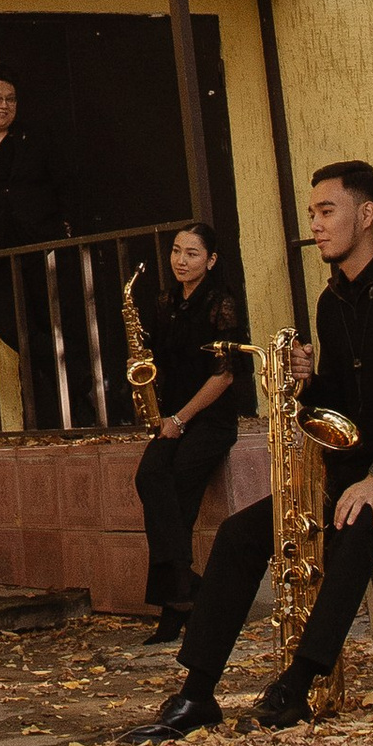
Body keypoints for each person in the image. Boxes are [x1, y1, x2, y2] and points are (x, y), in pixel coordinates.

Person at [131, 161, 373, 738]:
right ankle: (196, 693)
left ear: (367, 215)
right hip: (358, 462)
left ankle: (298, 683)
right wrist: (310, 383)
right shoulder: (331, 301)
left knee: (355, 526)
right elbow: (343, 403)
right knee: (239, 534)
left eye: (326, 211)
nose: (314, 224)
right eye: (312, 213)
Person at [0, 66, 94, 431]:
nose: (4, 106)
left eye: (10, 99)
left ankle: (68, 417)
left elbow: (67, 187)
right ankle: (71, 387)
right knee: (18, 333)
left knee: (60, 327)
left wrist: (67, 233)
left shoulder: (38, 138)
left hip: (46, 253)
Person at [131, 219, 246, 642]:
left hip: (211, 418)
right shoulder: (165, 302)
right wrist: (143, 372)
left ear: (211, 260)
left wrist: (180, 419)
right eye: (176, 251)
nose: (181, 260)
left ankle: (175, 608)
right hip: (171, 417)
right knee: (149, 475)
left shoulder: (222, 304)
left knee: (178, 484)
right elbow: (160, 361)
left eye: (192, 253)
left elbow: (225, 376)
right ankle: (186, 590)